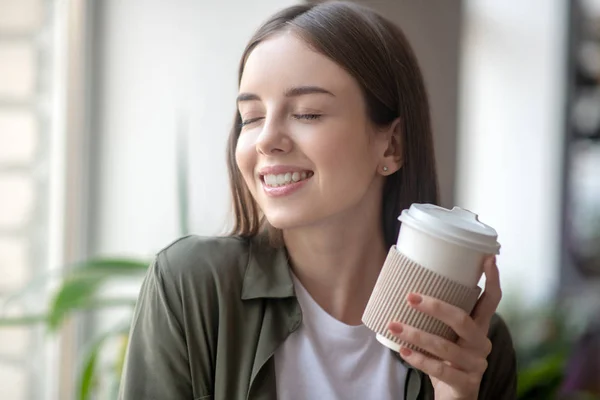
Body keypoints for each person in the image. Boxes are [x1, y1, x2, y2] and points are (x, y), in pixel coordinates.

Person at [118, 2, 517, 399]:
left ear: (391, 145)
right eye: (251, 117)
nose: (267, 140)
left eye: (308, 113)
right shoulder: (193, 287)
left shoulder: (471, 346)